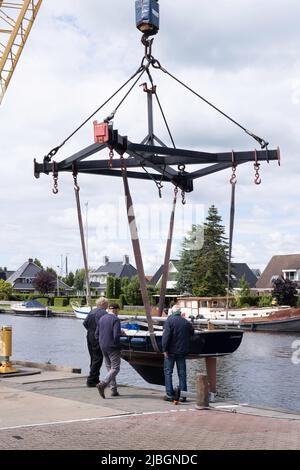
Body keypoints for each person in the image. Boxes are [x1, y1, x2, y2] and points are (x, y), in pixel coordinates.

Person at [162, 304, 194, 402]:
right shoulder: (185, 322)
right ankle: (183, 395)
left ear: (172, 312)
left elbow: (166, 337)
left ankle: (170, 395)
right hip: (182, 352)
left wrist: (164, 349)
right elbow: (192, 332)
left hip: (170, 351)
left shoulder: (169, 321)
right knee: (182, 373)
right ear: (180, 312)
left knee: (168, 372)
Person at [96, 303, 123, 398]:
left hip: (103, 346)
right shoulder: (115, 319)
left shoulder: (102, 318)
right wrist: (119, 345)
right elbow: (116, 336)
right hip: (112, 347)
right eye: (118, 311)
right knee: (115, 368)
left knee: (109, 368)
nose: (118, 313)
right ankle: (103, 384)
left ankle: (114, 390)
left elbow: (97, 334)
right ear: (115, 310)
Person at [83, 296, 108, 387]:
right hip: (98, 338)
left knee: (93, 358)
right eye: (106, 304)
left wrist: (91, 330)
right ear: (103, 304)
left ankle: (95, 378)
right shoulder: (103, 313)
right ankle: (91, 380)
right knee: (98, 358)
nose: (107, 306)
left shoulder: (91, 311)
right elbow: (105, 325)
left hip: (89, 336)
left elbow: (85, 323)